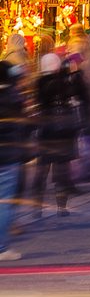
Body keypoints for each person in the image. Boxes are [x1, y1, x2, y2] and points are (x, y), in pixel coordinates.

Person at [31, 53, 83, 219]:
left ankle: (37, 208)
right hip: (63, 130)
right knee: (62, 169)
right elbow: (74, 96)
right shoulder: (64, 80)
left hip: (46, 129)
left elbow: (39, 102)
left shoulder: (39, 82)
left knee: (42, 169)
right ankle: (61, 207)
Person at [0, 61, 32, 261]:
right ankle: (2, 248)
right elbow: (24, 125)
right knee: (4, 202)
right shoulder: (13, 97)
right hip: (7, 155)